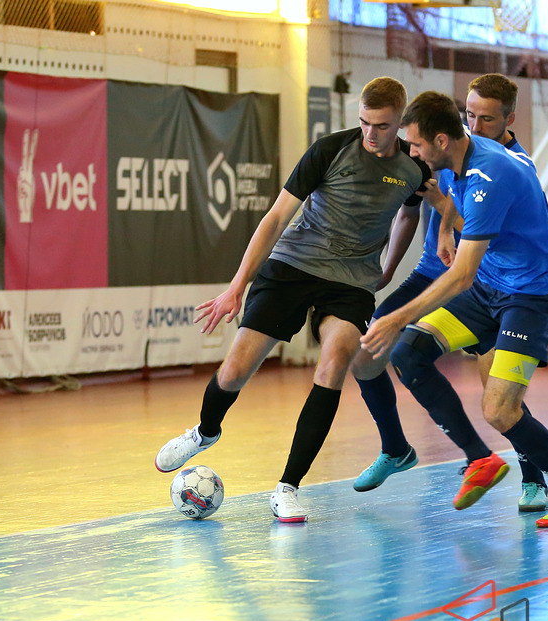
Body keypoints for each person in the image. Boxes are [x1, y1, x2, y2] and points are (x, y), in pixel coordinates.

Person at [153, 77, 430, 523]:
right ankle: (205, 432)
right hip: (293, 265)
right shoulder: (330, 150)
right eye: (364, 122)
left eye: (381, 126)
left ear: (400, 120)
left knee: (334, 362)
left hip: (351, 282)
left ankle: (288, 487)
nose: (370, 133)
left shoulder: (415, 166)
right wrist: (237, 286)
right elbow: (277, 216)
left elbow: (410, 213)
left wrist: (389, 267)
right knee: (235, 371)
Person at [360, 91, 548, 529]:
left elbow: (462, 276)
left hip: (531, 297)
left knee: (500, 410)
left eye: (416, 145)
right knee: (408, 353)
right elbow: (453, 190)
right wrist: (444, 228)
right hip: (491, 287)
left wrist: (396, 317)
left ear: (441, 140)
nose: (412, 153)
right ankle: (479, 459)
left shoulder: (492, 174)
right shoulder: (458, 154)